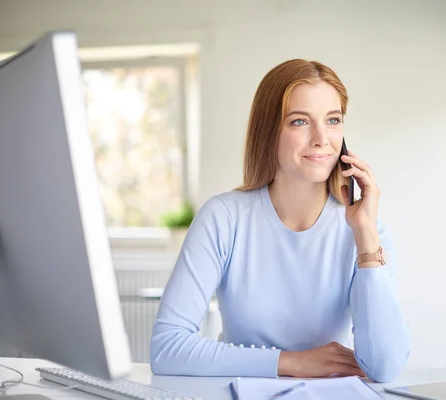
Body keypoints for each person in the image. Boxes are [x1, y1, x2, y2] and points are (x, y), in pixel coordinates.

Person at [150, 59, 410, 383]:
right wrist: (292, 362)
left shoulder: (365, 229)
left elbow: (384, 367)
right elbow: (167, 348)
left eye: (333, 120)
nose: (321, 139)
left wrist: (365, 235)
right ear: (268, 130)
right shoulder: (224, 218)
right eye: (300, 122)